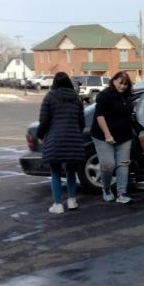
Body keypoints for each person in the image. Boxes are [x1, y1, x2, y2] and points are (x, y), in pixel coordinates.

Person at [91, 70, 144, 203]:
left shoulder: (128, 96)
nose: (123, 86)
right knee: (108, 164)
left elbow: (129, 116)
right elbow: (100, 116)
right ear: (113, 81)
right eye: (120, 83)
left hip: (124, 136)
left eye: (126, 84)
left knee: (123, 164)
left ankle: (122, 194)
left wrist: (140, 130)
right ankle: (107, 188)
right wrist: (108, 135)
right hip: (103, 136)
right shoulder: (104, 95)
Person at [37, 72, 85, 214]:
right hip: (73, 139)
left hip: (55, 139)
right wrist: (75, 132)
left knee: (56, 172)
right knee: (71, 171)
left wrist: (40, 135)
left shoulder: (50, 97)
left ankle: (58, 204)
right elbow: (81, 122)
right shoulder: (76, 98)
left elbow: (44, 120)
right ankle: (72, 200)